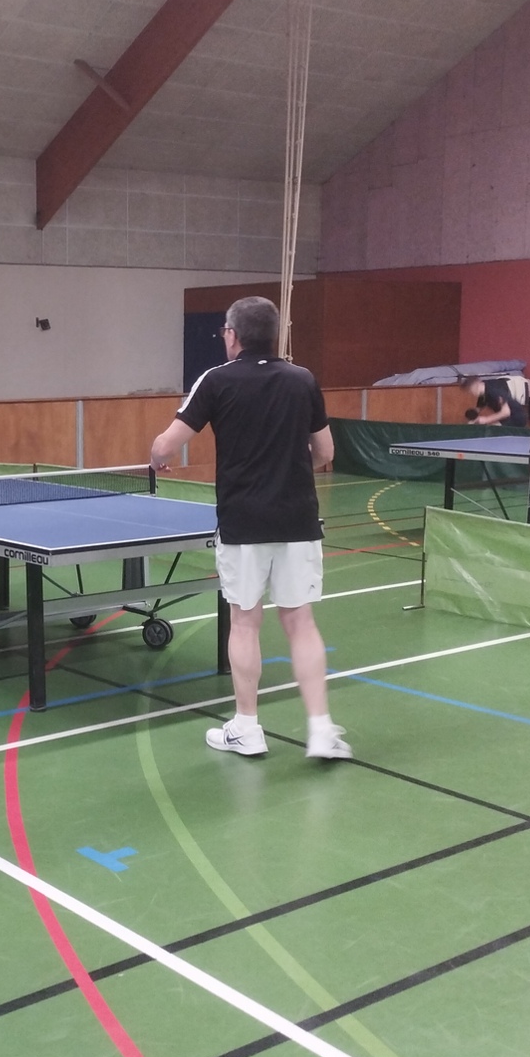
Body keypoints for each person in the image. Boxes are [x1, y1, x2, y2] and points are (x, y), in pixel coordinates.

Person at [148, 296, 351, 761]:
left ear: (233, 335)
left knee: (244, 621)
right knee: (300, 622)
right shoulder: (303, 380)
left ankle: (246, 727)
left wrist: (157, 458)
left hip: (243, 522)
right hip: (298, 519)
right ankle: (321, 730)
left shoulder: (215, 380)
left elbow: (167, 445)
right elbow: (325, 452)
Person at [461, 373, 528, 427]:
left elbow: (506, 412)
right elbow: (479, 408)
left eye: (471, 390)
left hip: (516, 418)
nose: (472, 393)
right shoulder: (483, 391)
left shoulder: (494, 390)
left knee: (492, 432)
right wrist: (473, 418)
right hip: (505, 419)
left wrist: (486, 419)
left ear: (476, 385)